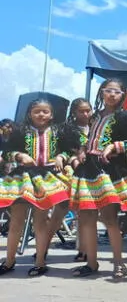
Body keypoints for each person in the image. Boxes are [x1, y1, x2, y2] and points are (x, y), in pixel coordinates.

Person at [68, 78, 127, 278]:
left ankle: (119, 263)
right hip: (88, 170)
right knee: (86, 218)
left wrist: (115, 146)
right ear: (102, 92)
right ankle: (92, 263)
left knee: (109, 219)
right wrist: (83, 151)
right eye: (108, 90)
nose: (112, 94)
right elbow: (91, 140)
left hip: (108, 170)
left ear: (123, 95)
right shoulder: (95, 117)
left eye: (117, 91)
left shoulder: (124, 117)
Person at [0, 99, 78, 277]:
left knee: (40, 222)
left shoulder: (58, 131)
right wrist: (20, 155)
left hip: (46, 178)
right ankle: (9, 260)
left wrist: (61, 156)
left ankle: (40, 262)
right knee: (16, 222)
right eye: (37, 111)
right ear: (29, 113)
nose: (41, 115)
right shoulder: (20, 130)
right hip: (23, 178)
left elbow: (68, 150)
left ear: (51, 115)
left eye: (45, 111)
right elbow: (7, 152)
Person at [45, 98, 93, 263]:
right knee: (60, 211)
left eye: (88, 110)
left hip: (90, 173)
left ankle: (83, 250)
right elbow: (60, 150)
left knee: (85, 213)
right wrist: (64, 156)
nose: (86, 114)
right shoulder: (65, 129)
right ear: (74, 112)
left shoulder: (96, 127)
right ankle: (43, 248)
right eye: (82, 111)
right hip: (69, 174)